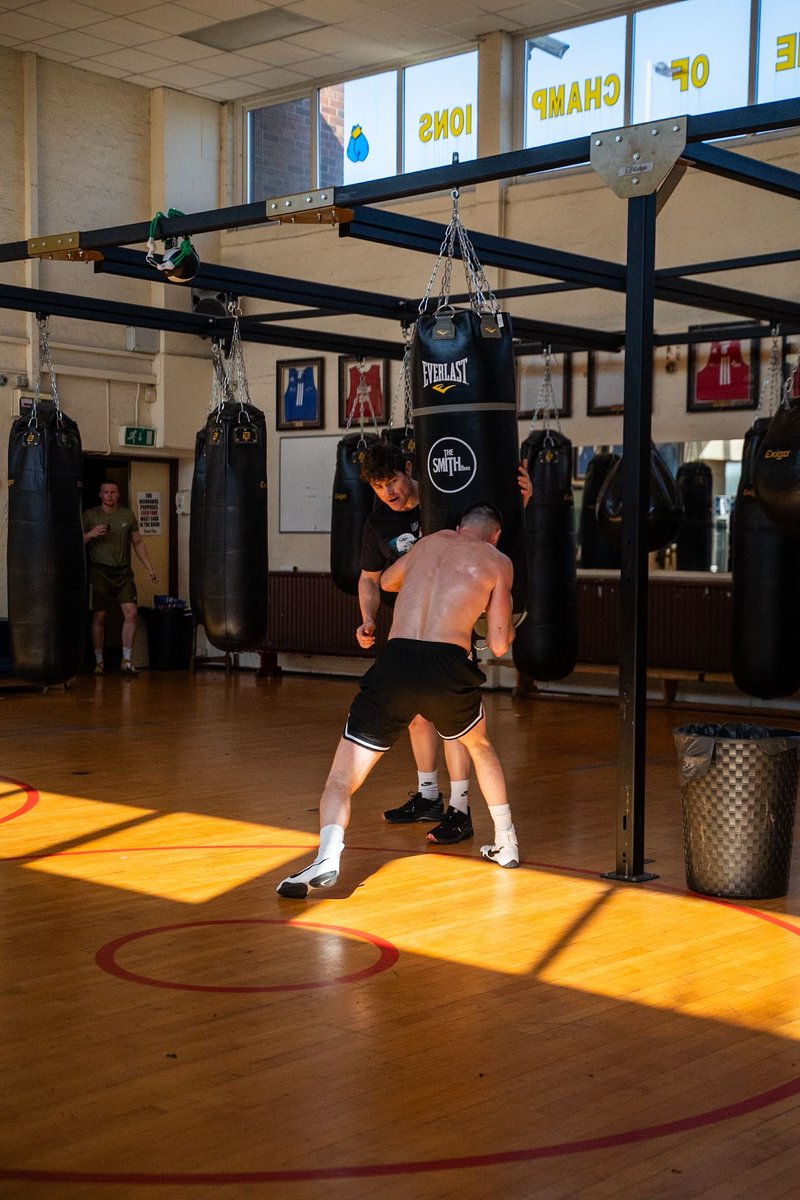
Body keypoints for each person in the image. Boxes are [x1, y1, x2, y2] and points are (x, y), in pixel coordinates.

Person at [277, 502, 519, 899]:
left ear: (458, 527)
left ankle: (327, 856)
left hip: (396, 660)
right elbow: (496, 642)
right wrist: (505, 627)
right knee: (479, 746)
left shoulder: (425, 545)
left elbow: (387, 581)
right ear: (495, 535)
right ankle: (506, 842)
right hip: (447, 664)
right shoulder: (497, 561)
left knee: (342, 777)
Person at [357, 440, 531, 848]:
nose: (389, 492)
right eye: (379, 487)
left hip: (453, 630)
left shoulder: (442, 500)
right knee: (418, 715)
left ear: (408, 470)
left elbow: (487, 531)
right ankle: (429, 796)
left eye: (392, 481)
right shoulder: (378, 523)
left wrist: (521, 498)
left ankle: (460, 808)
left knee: (455, 727)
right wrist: (367, 617)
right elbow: (372, 578)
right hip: (412, 631)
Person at [82, 481, 158, 676]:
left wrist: (149, 567)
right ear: (100, 494)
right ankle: (99, 662)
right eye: (105, 492)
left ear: (118, 494)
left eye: (113, 492)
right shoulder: (90, 515)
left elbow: (138, 542)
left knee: (131, 613)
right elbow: (74, 540)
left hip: (123, 571)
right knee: (99, 616)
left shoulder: (127, 515)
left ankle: (126, 659)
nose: (109, 495)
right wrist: (90, 534)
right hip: (100, 571)